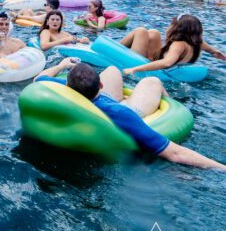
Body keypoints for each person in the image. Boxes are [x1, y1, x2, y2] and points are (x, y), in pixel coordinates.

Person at [35, 60, 225, 169]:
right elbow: (174, 153)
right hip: (128, 109)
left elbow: (38, 78)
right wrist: (221, 168)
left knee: (112, 70)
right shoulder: (121, 115)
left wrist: (61, 65)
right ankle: (170, 102)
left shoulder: (64, 92)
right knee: (152, 81)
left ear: (67, 86)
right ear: (100, 85)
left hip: (98, 102)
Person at [120, 15, 225, 76]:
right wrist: (215, 52)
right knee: (154, 32)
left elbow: (167, 63)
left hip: (147, 66)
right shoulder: (197, 41)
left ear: (176, 28)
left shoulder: (178, 45)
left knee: (140, 31)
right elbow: (212, 50)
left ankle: (114, 46)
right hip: (156, 61)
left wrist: (134, 69)